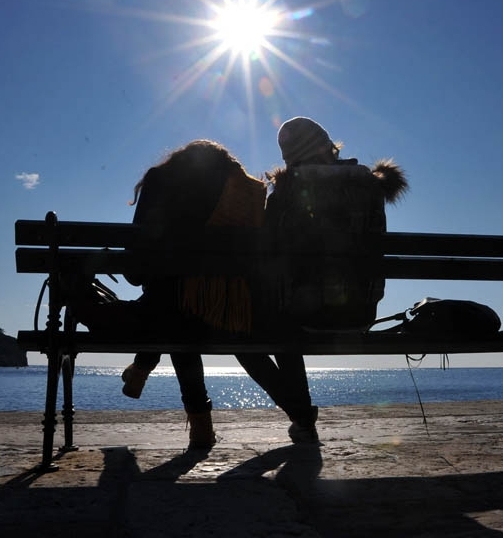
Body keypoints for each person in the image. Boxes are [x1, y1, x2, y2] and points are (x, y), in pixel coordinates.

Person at [253, 116, 409, 444]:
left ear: (289, 156)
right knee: (289, 310)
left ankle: (301, 413)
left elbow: (267, 253)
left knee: (251, 329)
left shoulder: (287, 187)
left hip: (301, 317)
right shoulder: (370, 185)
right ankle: (301, 414)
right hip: (359, 313)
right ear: (329, 146)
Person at [117, 139, 267, 448]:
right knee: (179, 305)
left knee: (174, 304)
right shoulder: (246, 191)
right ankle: (198, 425)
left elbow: (138, 251)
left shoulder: (160, 180)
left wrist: (141, 274)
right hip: (230, 309)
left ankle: (144, 371)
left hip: (172, 307)